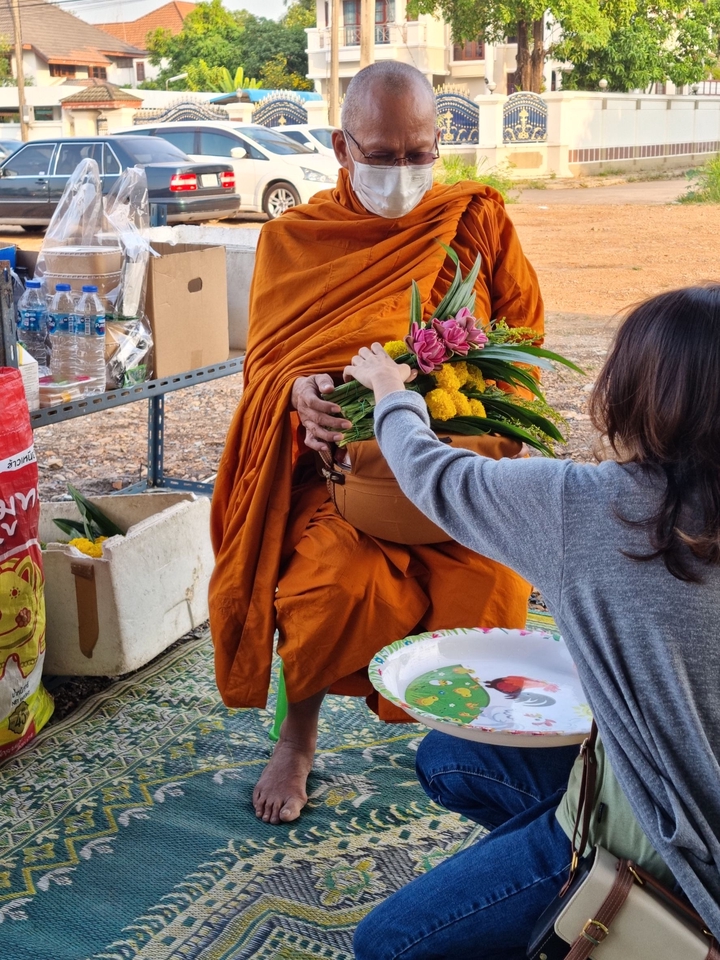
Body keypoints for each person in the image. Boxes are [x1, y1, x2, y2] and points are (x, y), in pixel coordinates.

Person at [209, 60, 543, 826]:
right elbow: (266, 367)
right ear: (341, 146)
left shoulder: (474, 222)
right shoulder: (294, 240)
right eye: (382, 155)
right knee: (331, 590)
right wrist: (295, 398)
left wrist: (487, 418)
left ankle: (482, 751)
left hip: (458, 485)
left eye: (419, 153)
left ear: (438, 143)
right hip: (343, 485)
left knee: (495, 593)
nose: (404, 172)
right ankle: (298, 735)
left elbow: (524, 344)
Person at [345, 285, 720, 957]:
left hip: (661, 843)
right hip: (648, 776)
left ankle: (589, 904)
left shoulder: (592, 509)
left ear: (632, 393)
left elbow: (433, 473)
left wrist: (387, 390)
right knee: (449, 756)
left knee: (387, 944)